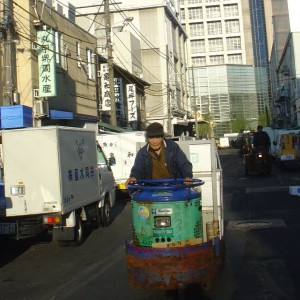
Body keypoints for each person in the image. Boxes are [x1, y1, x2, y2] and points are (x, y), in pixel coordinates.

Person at [125, 122, 193, 186]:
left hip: (174, 187)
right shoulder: (142, 153)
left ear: (163, 137)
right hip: (152, 189)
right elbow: (137, 169)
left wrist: (187, 176)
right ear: (147, 139)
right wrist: (133, 177)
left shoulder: (172, 147)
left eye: (158, 137)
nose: (155, 141)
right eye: (151, 138)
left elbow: (184, 163)